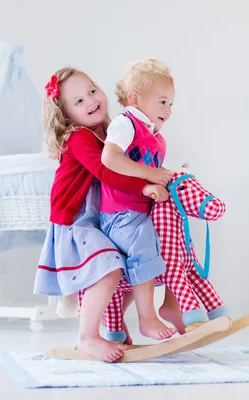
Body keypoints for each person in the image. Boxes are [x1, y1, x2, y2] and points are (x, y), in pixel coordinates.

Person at [33, 67, 169, 362]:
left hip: (102, 218)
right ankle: (87, 337)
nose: (91, 101)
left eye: (92, 91)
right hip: (76, 221)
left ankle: (112, 326)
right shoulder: (79, 136)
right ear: (66, 114)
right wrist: (146, 184)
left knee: (132, 264)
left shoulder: (109, 132)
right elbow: (107, 173)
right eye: (78, 101)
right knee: (109, 267)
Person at [99, 57, 178, 342]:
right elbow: (109, 158)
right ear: (135, 99)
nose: (168, 110)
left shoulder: (152, 134)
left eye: (171, 104)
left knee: (170, 245)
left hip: (137, 211)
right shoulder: (126, 123)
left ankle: (120, 320)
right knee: (143, 246)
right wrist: (150, 174)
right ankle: (147, 318)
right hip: (119, 213)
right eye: (162, 102)